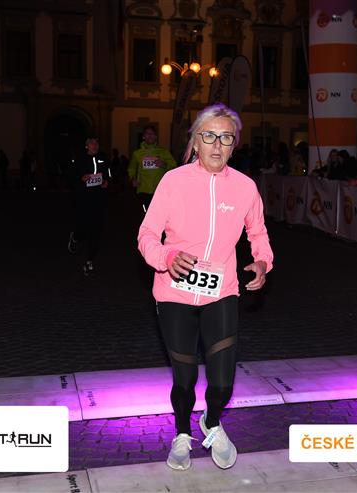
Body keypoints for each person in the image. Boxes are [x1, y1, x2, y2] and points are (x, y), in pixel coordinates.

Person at [137, 103, 273, 471]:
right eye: (209, 136)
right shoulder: (173, 181)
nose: (217, 144)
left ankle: (212, 422)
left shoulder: (245, 187)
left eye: (226, 137)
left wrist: (263, 261)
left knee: (223, 382)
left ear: (234, 144)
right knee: (185, 379)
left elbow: (258, 233)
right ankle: (182, 432)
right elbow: (147, 234)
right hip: (174, 292)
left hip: (222, 290)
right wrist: (166, 257)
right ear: (196, 141)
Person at [68, 137, 110, 275]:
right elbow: (71, 176)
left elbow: (109, 173)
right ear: (86, 146)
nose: (95, 145)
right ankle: (76, 237)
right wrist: (81, 178)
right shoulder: (80, 159)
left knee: (96, 231)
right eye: (92, 143)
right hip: (83, 200)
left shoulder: (103, 158)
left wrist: (106, 181)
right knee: (83, 228)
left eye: (97, 143)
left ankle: (89, 260)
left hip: (99, 200)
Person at [128, 125, 177, 213]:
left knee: (159, 214)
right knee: (145, 214)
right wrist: (132, 178)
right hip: (143, 189)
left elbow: (174, 167)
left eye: (152, 133)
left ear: (156, 137)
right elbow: (132, 168)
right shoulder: (137, 153)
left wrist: (164, 165)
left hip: (159, 189)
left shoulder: (164, 152)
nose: (150, 135)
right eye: (147, 133)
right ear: (143, 137)